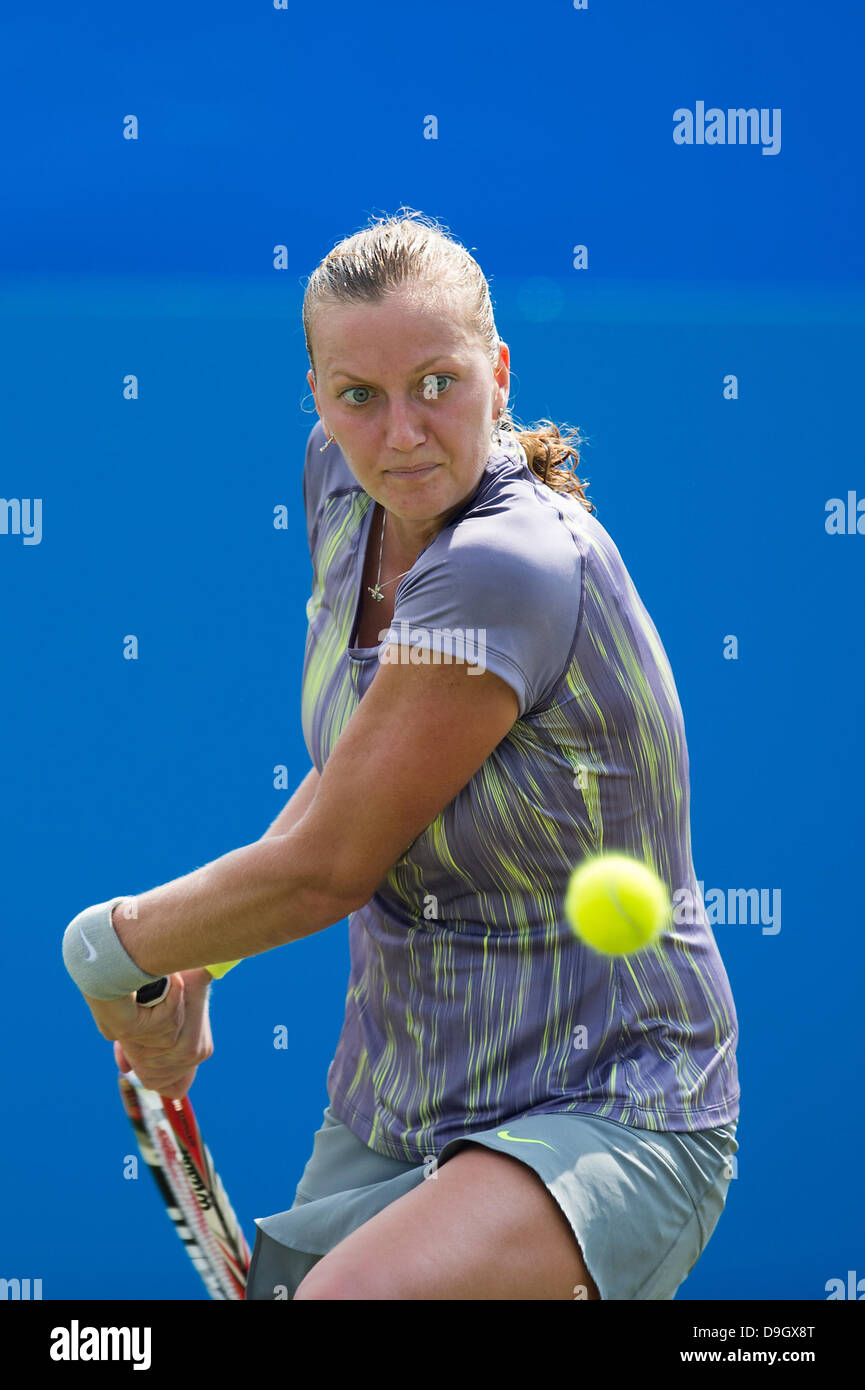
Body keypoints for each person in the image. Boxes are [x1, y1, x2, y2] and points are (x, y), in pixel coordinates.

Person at [63, 208, 740, 1301]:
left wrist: (111, 947)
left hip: (613, 1102)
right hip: (402, 1105)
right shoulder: (343, 490)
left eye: (438, 382)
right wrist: (197, 960)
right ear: (320, 397)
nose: (402, 433)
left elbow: (331, 867)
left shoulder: (505, 563)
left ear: (499, 371)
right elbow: (359, 769)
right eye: (357, 397)